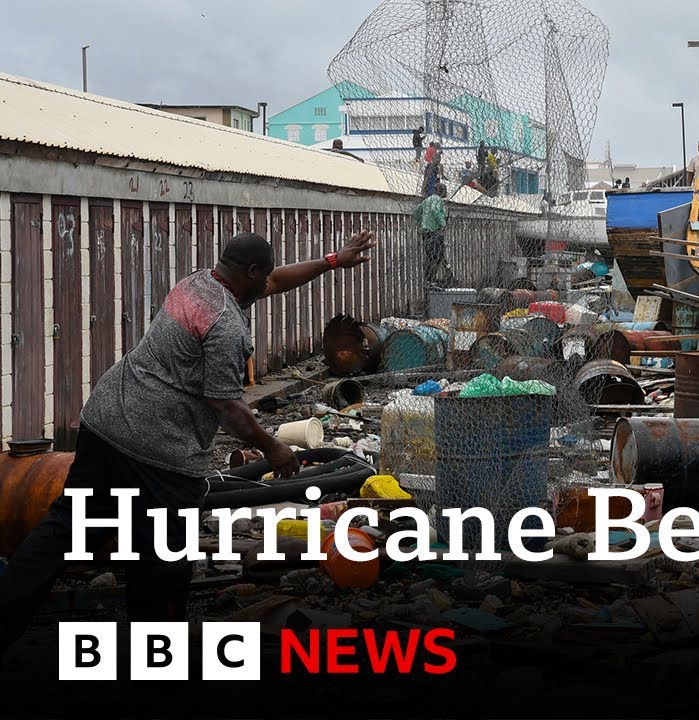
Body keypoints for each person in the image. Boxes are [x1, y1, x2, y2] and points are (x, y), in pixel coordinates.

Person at [0, 228, 377, 655]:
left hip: (104, 420)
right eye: (263, 275)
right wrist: (274, 447)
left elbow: (274, 281)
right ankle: (157, 654)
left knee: (64, 527)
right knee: (163, 552)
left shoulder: (198, 283)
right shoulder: (226, 325)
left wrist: (330, 261)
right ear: (250, 271)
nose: (268, 283)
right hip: (157, 446)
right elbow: (225, 404)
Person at [414, 183, 449, 286]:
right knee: (437, 257)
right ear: (442, 191)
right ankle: (431, 280)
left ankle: (429, 280)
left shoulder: (426, 200)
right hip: (434, 231)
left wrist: (422, 223)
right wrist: (442, 223)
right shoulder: (437, 199)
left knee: (430, 256)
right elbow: (434, 210)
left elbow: (417, 212)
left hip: (425, 232)